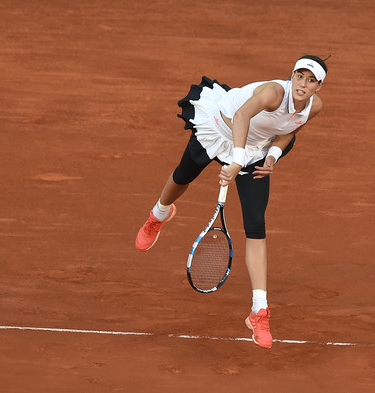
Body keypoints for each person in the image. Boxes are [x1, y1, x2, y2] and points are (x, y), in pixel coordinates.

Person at [135, 55, 328, 349]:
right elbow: (241, 116)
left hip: (255, 151)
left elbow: (290, 129)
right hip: (219, 129)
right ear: (292, 76)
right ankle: (159, 213)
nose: (303, 84)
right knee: (182, 177)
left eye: (311, 80)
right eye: (299, 76)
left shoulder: (314, 108)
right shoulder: (274, 92)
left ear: (318, 86)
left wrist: (272, 157)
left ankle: (259, 311)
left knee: (256, 226)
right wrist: (236, 159)